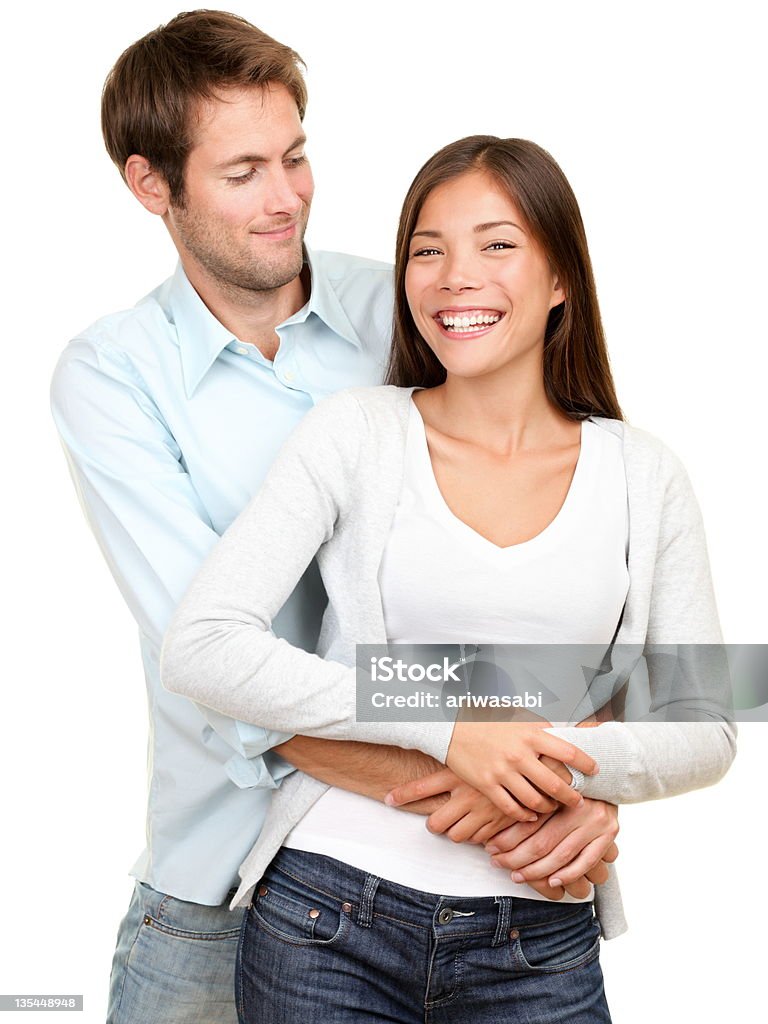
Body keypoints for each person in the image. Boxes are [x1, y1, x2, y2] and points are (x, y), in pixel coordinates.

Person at [50, 12, 617, 1023]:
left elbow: (572, 588)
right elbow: (227, 667)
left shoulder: (413, 306)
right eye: (242, 173)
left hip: (479, 892)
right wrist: (474, 759)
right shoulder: (113, 379)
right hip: (220, 891)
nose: (285, 200)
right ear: (152, 186)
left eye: (296, 157)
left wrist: (587, 782)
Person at [161, 136, 737, 1023]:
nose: (454, 276)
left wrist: (556, 772)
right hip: (328, 920)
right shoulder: (356, 434)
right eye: (428, 250)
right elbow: (202, 647)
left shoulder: (645, 475)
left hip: (538, 941)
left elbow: (709, 723)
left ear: (561, 281)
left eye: (497, 244)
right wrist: (451, 725)